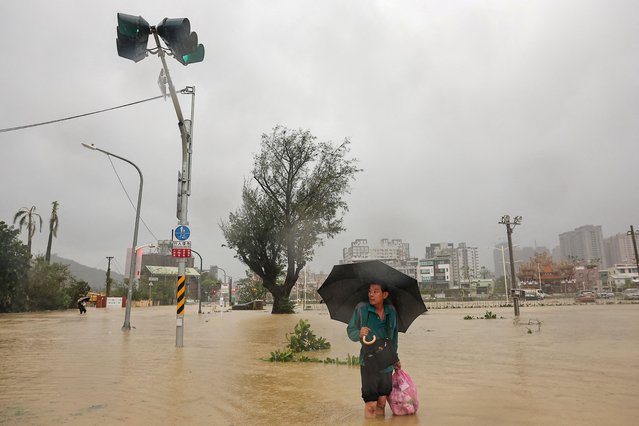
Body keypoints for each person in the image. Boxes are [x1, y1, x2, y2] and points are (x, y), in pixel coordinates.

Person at [347, 282, 401, 418]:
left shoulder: (391, 311)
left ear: (385, 295)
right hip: (369, 361)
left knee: (382, 403)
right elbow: (350, 330)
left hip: (386, 362)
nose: (371, 294)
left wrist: (396, 358)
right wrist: (359, 332)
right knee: (371, 405)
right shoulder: (361, 308)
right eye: (370, 291)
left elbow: (394, 337)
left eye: (376, 291)